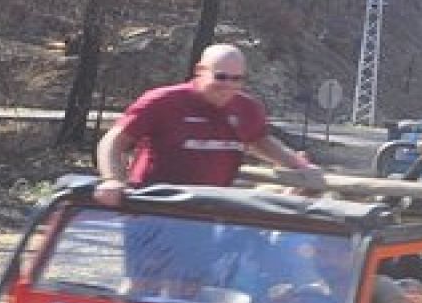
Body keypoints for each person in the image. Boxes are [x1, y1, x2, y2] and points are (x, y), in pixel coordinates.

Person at [93, 43, 320, 204]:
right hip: (155, 211)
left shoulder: (247, 108)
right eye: (220, 77)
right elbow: (113, 142)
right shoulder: (162, 101)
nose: (228, 85)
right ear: (200, 71)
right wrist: (112, 180)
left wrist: (298, 165)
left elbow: (260, 140)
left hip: (208, 214)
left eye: (237, 79)